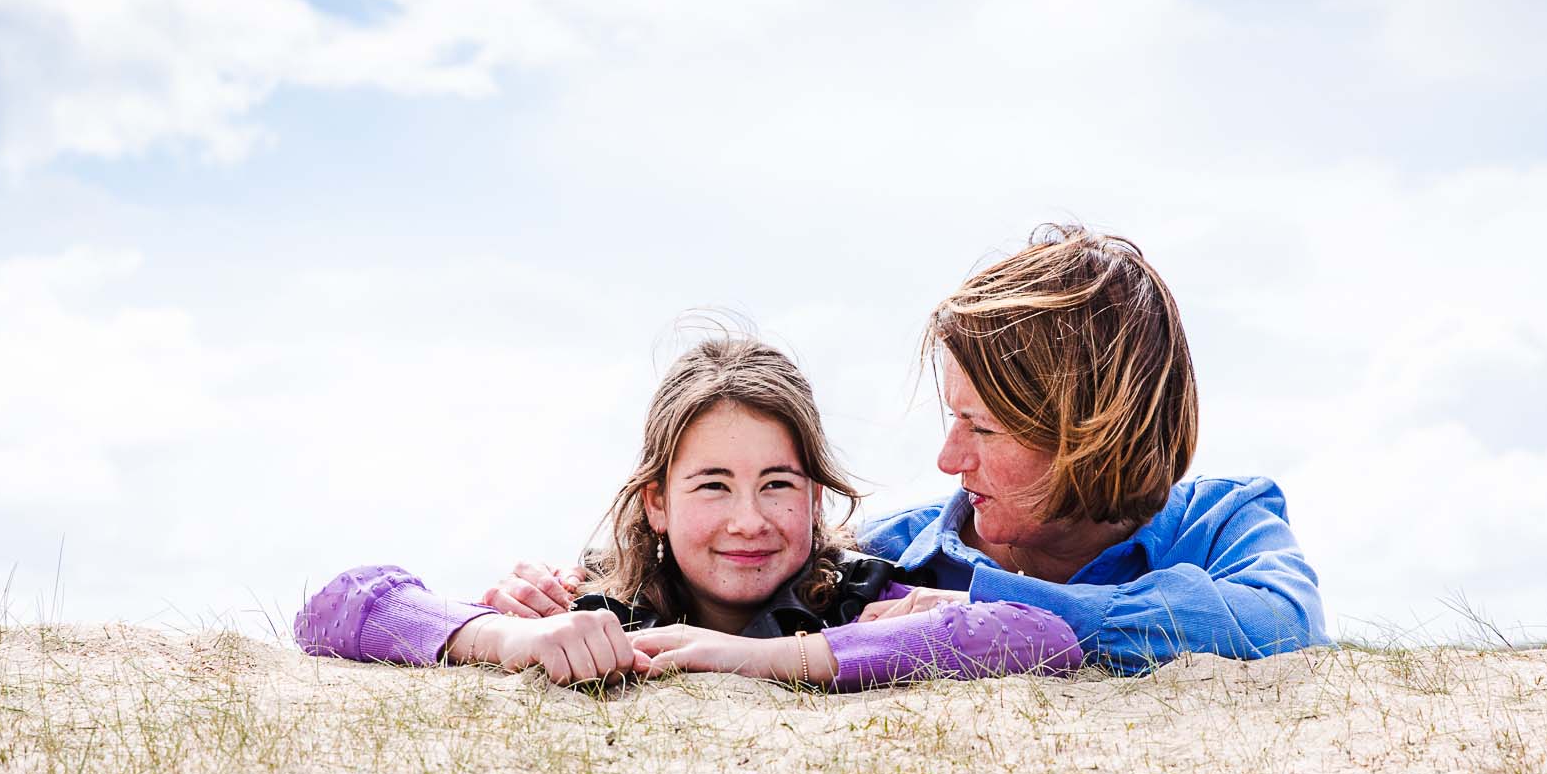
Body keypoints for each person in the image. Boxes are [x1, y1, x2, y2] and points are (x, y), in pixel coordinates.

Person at [492, 226, 1328, 673]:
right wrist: (555, 597)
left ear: (1087, 435)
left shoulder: (1227, 521)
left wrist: (996, 610)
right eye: (951, 417)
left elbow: (1281, 625)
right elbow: (731, 592)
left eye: (984, 429)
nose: (947, 461)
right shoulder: (901, 555)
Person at [294, 337, 1082, 687]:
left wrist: (770, 659)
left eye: (778, 483)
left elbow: (1042, 633)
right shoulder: (593, 605)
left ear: (815, 497)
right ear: (657, 502)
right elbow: (338, 606)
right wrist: (514, 637)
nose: (749, 519)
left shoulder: (856, 602)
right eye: (712, 485)